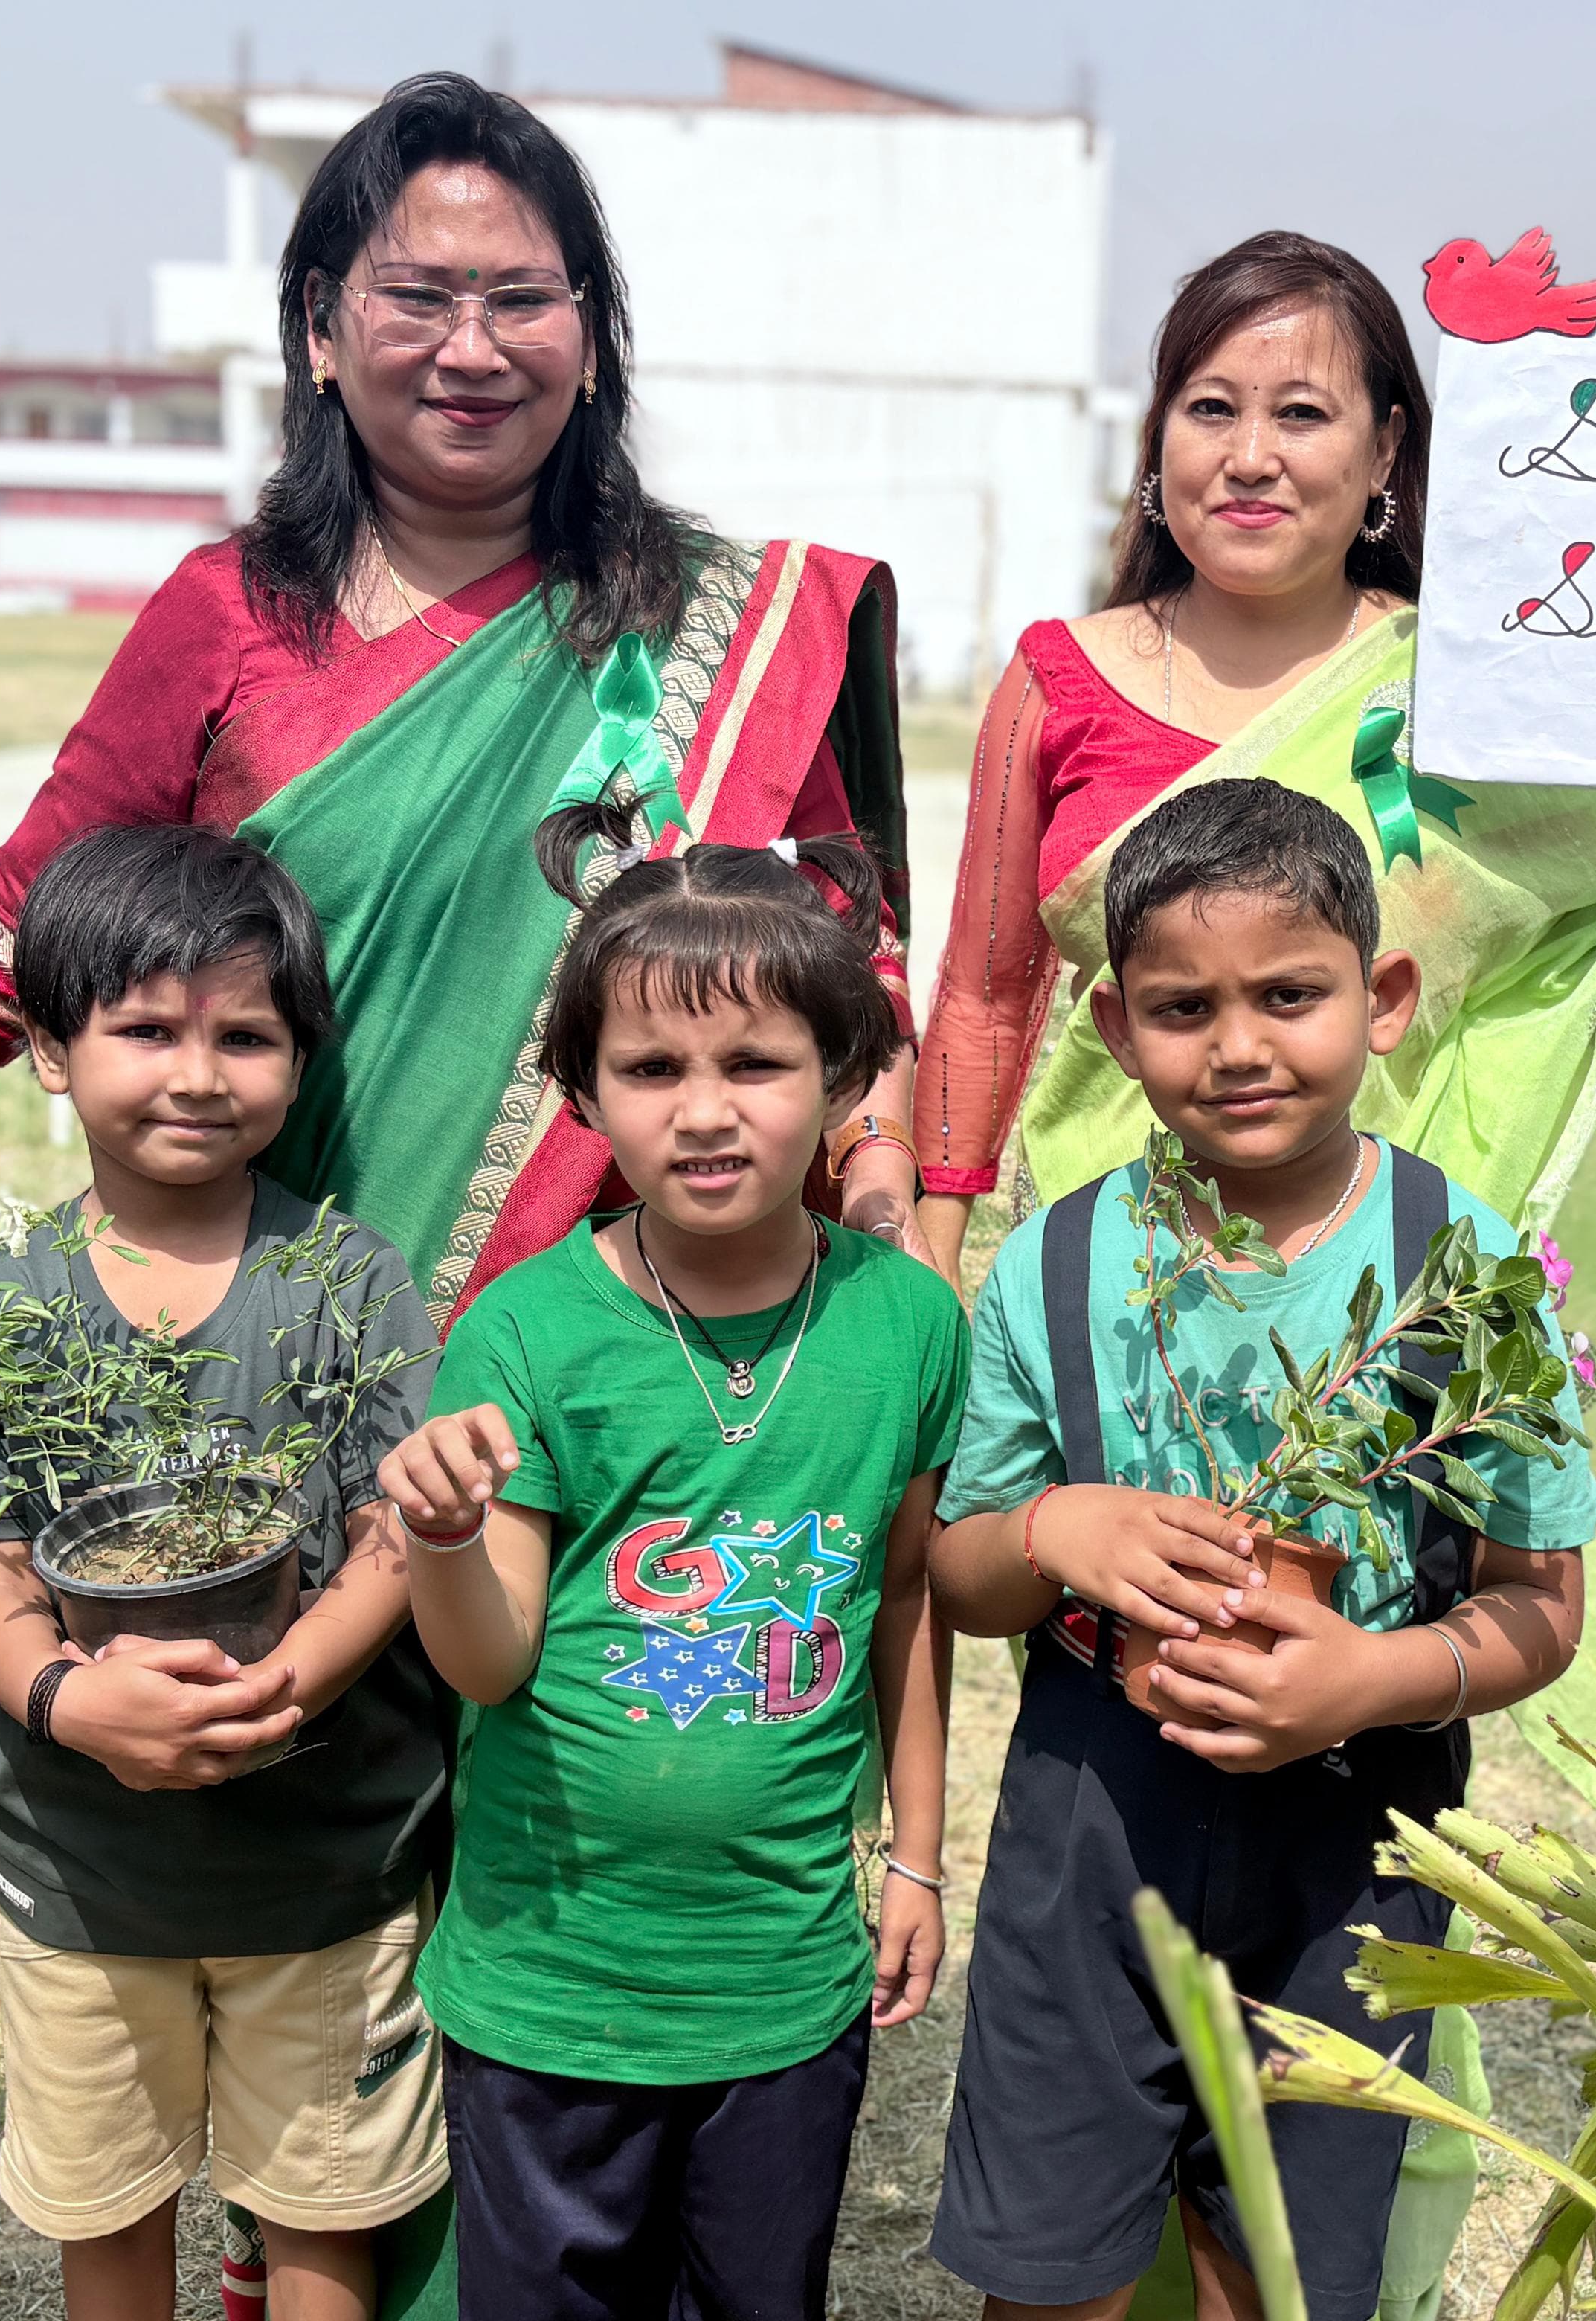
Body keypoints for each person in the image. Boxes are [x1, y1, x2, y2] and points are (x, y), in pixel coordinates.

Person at [0, 69, 932, 1326]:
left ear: (589, 334)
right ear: (320, 329)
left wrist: (885, 1194)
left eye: (524, 300)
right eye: (417, 298)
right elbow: (12, 932)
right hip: (278, 1341)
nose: (474, 349)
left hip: (631, 1336)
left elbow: (843, 958)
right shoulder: (225, 613)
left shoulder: (715, 624)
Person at [914, 229, 1596, 1364]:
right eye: (1211, 408)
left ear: (1386, 451)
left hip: (1385, 1301)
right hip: (1113, 1284)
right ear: (1158, 435)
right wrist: (936, 1258)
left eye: (1302, 415)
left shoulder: (1468, 693)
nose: (1250, 457)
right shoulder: (1056, 679)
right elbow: (983, 995)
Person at [924, 780, 1595, 2321]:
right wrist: (1053, 1527)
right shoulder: (1058, 1261)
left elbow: (1539, 1607)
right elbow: (960, 1576)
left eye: (1290, 995)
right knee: (1047, 2268)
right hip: (1093, 1817)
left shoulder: (1467, 1270)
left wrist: (1370, 1679)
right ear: (1114, 1024)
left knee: (1280, 2271)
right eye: (1183, 1008)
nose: (1238, 1047)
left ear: (1386, 1000)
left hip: (1357, 1840)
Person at [378, 794, 962, 2320]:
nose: (705, 1112)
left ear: (841, 1077)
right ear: (583, 1093)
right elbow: (490, 1662)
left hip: (783, 1985)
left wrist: (915, 1853)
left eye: (755, 1064)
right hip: (550, 1986)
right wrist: (441, 1537)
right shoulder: (524, 1331)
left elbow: (905, 1599)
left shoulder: (907, 1324)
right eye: (651, 1070)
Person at [0, 828, 445, 2321]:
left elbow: (395, 1537)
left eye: (244, 1037)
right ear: (46, 1051)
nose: (199, 1075)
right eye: (145, 1030)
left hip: (326, 1863)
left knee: (325, 2215)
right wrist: (68, 1703)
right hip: (85, 1874)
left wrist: (281, 1686)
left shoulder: (351, 1280)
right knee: (110, 2214)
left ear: (302, 1061)